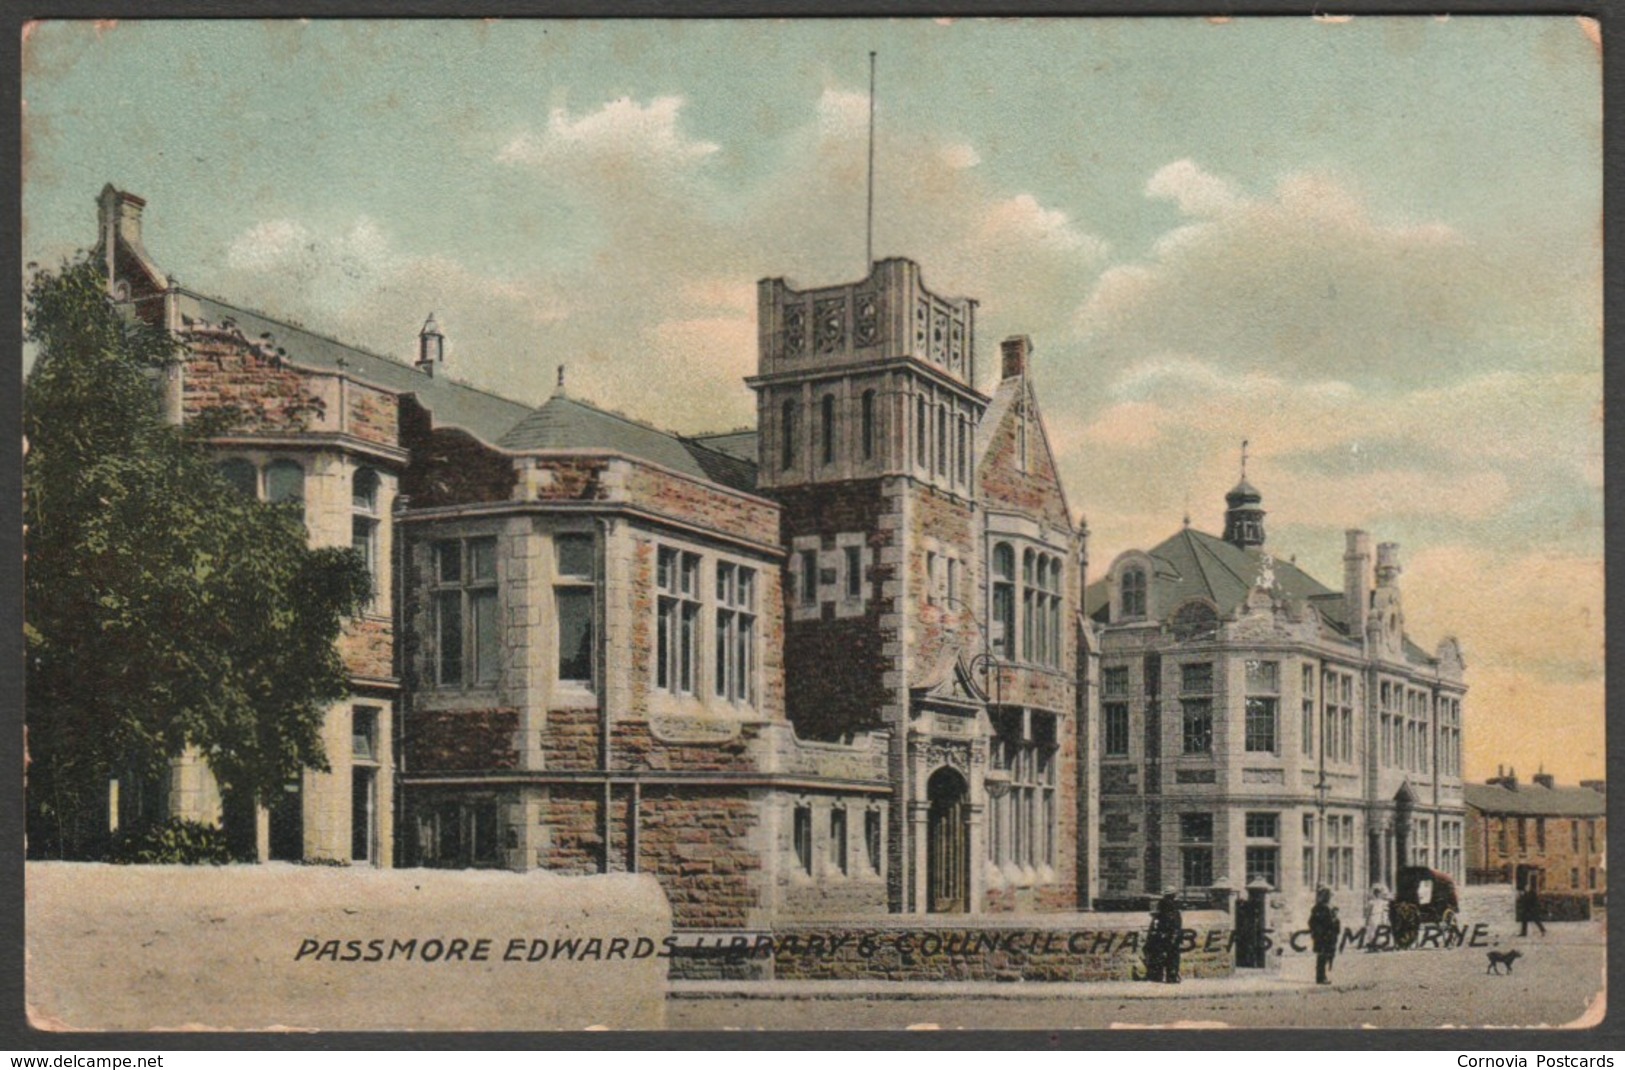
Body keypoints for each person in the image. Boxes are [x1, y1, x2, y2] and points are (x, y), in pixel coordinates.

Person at [1148, 892, 1184, 983]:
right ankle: (1171, 976)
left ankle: (1160, 976)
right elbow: (1177, 926)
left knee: (1162, 956)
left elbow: (1156, 924)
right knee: (1172, 957)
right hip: (1171, 937)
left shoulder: (1162, 911)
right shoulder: (1174, 912)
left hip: (1163, 936)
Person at [1309, 886, 1340, 985]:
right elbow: (1327, 923)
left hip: (1322, 936)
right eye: (1329, 896)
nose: (1331, 898)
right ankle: (1321, 977)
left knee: (1323, 956)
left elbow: (1311, 922)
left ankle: (1321, 976)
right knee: (1323, 956)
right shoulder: (1324, 908)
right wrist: (1335, 918)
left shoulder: (1318, 907)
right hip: (1325, 936)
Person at [1363, 884, 1389, 952]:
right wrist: (1367, 920)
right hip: (1373, 917)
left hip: (1379, 917)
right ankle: (1372, 945)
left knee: (1379, 930)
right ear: (1375, 894)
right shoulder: (1371, 902)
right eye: (1377, 893)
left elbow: (1384, 911)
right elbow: (1368, 912)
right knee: (1372, 930)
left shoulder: (1382, 902)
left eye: (1379, 893)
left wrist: (1384, 919)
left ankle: (1379, 945)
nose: (1378, 895)